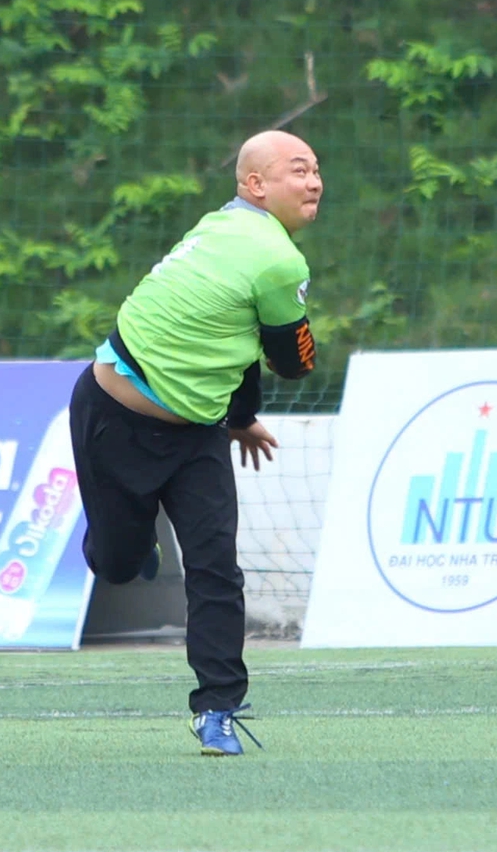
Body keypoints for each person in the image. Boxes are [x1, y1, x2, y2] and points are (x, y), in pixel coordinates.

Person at [71, 130, 321, 756]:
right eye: (298, 170)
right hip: (112, 417)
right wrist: (281, 359)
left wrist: (238, 421)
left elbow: (234, 345)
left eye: (317, 170)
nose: (314, 181)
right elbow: (291, 362)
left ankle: (218, 709)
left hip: (196, 438)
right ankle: (129, 546)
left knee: (216, 569)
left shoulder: (228, 229)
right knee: (118, 564)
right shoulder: (273, 257)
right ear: (253, 185)